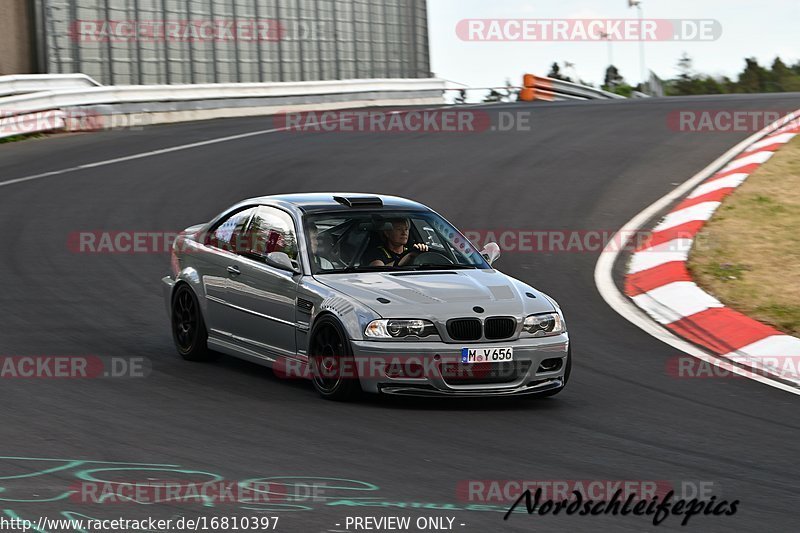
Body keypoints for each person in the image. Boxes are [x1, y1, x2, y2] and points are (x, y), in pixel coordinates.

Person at [363, 218, 428, 267]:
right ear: (387, 233)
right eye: (399, 229)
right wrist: (408, 257)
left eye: (406, 229)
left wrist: (423, 252)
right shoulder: (376, 253)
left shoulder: (411, 250)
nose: (404, 233)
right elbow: (379, 271)